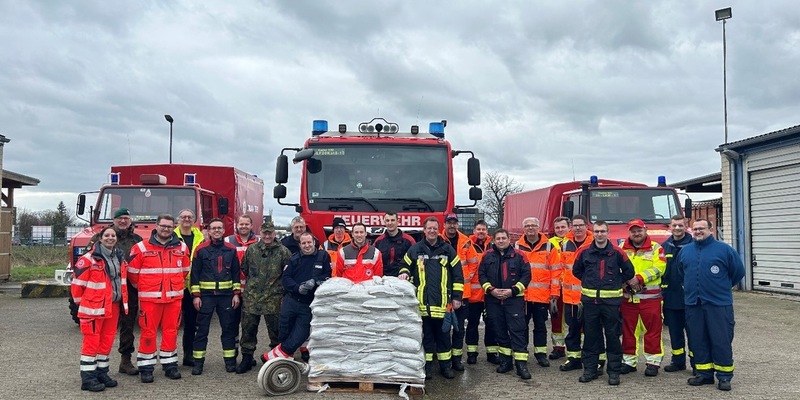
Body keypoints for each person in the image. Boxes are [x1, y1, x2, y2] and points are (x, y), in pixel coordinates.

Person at [678, 219, 745, 391]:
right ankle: (704, 374)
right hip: (694, 303)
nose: (698, 231)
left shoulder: (725, 250)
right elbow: (681, 273)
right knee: (697, 339)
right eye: (695, 229)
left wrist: (720, 288)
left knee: (721, 339)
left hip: (718, 304)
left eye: (702, 228)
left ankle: (724, 376)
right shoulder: (686, 251)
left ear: (711, 229)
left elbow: (738, 272)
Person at [127, 214, 190, 383]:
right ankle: (146, 368)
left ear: (174, 227)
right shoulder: (140, 247)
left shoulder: (182, 248)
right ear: (157, 225)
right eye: (163, 226)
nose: (166, 229)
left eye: (169, 226)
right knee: (148, 333)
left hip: (173, 299)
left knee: (171, 332)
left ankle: (170, 366)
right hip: (150, 300)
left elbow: (185, 271)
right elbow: (132, 274)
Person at [399, 217, 464, 380]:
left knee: (443, 337)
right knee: (426, 337)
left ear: (438, 229)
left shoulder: (448, 250)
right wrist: (404, 272)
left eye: (435, 228)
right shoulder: (415, 249)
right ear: (424, 230)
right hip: (422, 304)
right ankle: (426, 368)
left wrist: (457, 297)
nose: (432, 231)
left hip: (443, 304)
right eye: (429, 228)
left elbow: (458, 275)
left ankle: (445, 367)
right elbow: (404, 265)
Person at [573, 220, 634, 386]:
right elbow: (576, 271)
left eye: (603, 231)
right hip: (590, 302)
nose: (600, 234)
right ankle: (590, 370)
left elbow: (629, 272)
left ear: (608, 233)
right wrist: (588, 280)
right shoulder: (584, 252)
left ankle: (613, 372)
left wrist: (615, 281)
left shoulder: (617, 252)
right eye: (597, 231)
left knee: (613, 337)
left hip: (611, 303)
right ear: (593, 233)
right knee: (591, 337)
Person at [84, 207, 142, 375]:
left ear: (130, 220)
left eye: (126, 218)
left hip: (128, 289)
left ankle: (125, 360)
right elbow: (88, 262)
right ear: (113, 220)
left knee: (128, 325)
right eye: (119, 218)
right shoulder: (99, 238)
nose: (123, 221)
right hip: (103, 291)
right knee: (101, 329)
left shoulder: (137, 239)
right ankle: (96, 363)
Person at [72, 226, 129, 392]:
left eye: (113, 235)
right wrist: (83, 306)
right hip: (93, 308)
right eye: (107, 235)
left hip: (113, 306)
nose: (110, 238)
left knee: (106, 341)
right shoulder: (88, 259)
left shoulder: (118, 257)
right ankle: (88, 379)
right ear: (100, 238)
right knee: (91, 342)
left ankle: (101, 373)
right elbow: (77, 287)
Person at [262, 232, 331, 361]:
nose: (307, 245)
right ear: (300, 245)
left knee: (301, 333)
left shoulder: (323, 256)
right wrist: (297, 288)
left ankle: (272, 356)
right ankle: (286, 360)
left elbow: (327, 275)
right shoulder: (294, 258)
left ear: (314, 242)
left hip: (309, 304)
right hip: (291, 301)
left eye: (309, 242)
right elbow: (286, 278)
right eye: (303, 243)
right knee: (284, 331)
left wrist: (315, 281)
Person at [236, 221, 292, 374]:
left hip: (273, 298)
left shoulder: (283, 252)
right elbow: (245, 268)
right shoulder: (252, 250)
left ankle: (276, 359)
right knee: (248, 329)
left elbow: (288, 274)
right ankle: (247, 358)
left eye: (270, 233)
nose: (267, 236)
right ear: (260, 233)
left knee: (276, 331)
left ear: (274, 234)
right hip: (252, 297)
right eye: (265, 233)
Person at [189, 218, 242, 375]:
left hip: (226, 296)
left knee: (229, 330)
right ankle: (198, 363)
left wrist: (236, 294)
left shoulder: (231, 249)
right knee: (201, 331)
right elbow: (195, 274)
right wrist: (196, 296)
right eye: (214, 228)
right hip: (206, 297)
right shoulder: (200, 249)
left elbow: (236, 273)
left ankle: (230, 362)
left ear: (224, 230)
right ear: (209, 231)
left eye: (219, 228)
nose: (217, 230)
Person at [479, 229, 532, 380]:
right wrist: (491, 290)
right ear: (494, 240)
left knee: (517, 331)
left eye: (504, 238)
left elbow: (527, 275)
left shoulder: (520, 255)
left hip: (514, 300)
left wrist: (513, 291)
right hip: (493, 299)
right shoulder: (487, 255)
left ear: (509, 239)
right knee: (500, 330)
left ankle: (521, 365)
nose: (501, 241)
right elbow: (481, 275)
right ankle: (506, 361)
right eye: (498, 238)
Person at [618, 219, 667, 376]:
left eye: (639, 230)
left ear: (645, 230)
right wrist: (623, 281)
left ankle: (652, 363)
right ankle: (628, 361)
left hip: (650, 299)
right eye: (633, 231)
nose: (636, 233)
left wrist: (639, 279)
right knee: (628, 331)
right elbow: (614, 267)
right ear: (629, 232)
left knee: (652, 331)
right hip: (628, 298)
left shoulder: (656, 248)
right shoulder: (621, 248)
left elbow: (659, 268)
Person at [551, 216, 595, 373]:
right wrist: (556, 292)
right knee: (573, 330)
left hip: (588, 296)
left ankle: (590, 358)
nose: (577, 228)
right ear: (572, 227)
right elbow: (558, 269)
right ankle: (574, 358)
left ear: (586, 226)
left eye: (580, 225)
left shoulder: (594, 243)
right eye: (575, 225)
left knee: (590, 329)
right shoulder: (565, 245)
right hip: (569, 296)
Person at [514, 216, 557, 367]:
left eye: (533, 225)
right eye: (527, 226)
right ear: (523, 229)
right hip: (522, 296)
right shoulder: (517, 247)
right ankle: (522, 353)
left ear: (539, 228)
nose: (530, 228)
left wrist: (554, 294)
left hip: (542, 296)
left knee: (540, 327)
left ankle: (540, 354)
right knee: (522, 326)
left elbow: (555, 272)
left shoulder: (549, 247)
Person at [440, 213, 479, 372]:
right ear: (445, 225)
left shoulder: (466, 242)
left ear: (457, 224)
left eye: (454, 223)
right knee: (443, 328)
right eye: (449, 222)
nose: (452, 225)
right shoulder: (438, 240)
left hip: (462, 293)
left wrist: (465, 277)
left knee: (459, 328)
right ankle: (444, 358)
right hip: (443, 291)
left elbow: (473, 263)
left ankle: (456, 359)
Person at [661, 215, 694, 373]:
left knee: (694, 334)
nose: (677, 228)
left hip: (690, 298)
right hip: (670, 298)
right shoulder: (664, 246)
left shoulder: (694, 245)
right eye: (674, 225)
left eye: (681, 225)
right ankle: (678, 361)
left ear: (686, 226)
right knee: (675, 333)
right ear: (670, 226)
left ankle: (697, 363)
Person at [173, 209, 205, 367]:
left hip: (193, 285)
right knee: (172, 323)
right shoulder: (171, 236)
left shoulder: (201, 237)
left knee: (191, 323)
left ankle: (188, 354)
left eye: (189, 217)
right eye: (183, 217)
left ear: (194, 220)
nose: (186, 219)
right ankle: (170, 357)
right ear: (178, 220)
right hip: (175, 285)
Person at [224, 214, 258, 359]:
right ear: (237, 225)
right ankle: (232, 354)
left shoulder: (259, 241)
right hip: (233, 292)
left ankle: (247, 356)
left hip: (253, 293)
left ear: (251, 226)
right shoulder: (228, 241)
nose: (243, 226)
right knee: (231, 325)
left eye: (246, 224)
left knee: (249, 326)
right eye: (241, 224)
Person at [465, 219, 498, 365]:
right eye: (478, 229)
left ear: (487, 231)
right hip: (473, 295)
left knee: (492, 324)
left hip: (490, 294)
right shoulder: (467, 245)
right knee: (472, 325)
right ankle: (472, 353)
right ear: (474, 231)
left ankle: (492, 353)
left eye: (483, 229)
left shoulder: (494, 245)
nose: (481, 232)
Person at [547, 216, 572, 362]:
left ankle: (577, 348)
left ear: (569, 227)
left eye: (563, 227)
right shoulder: (549, 243)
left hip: (572, 287)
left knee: (576, 319)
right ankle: (558, 348)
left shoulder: (574, 242)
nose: (560, 230)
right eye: (557, 228)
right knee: (556, 318)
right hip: (556, 287)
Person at [374, 212, 416, 277]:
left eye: (392, 220)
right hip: (383, 280)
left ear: (398, 221)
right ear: (384, 222)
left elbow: (415, 261)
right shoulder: (378, 241)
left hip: (403, 279)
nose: (390, 223)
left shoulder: (409, 241)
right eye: (387, 221)